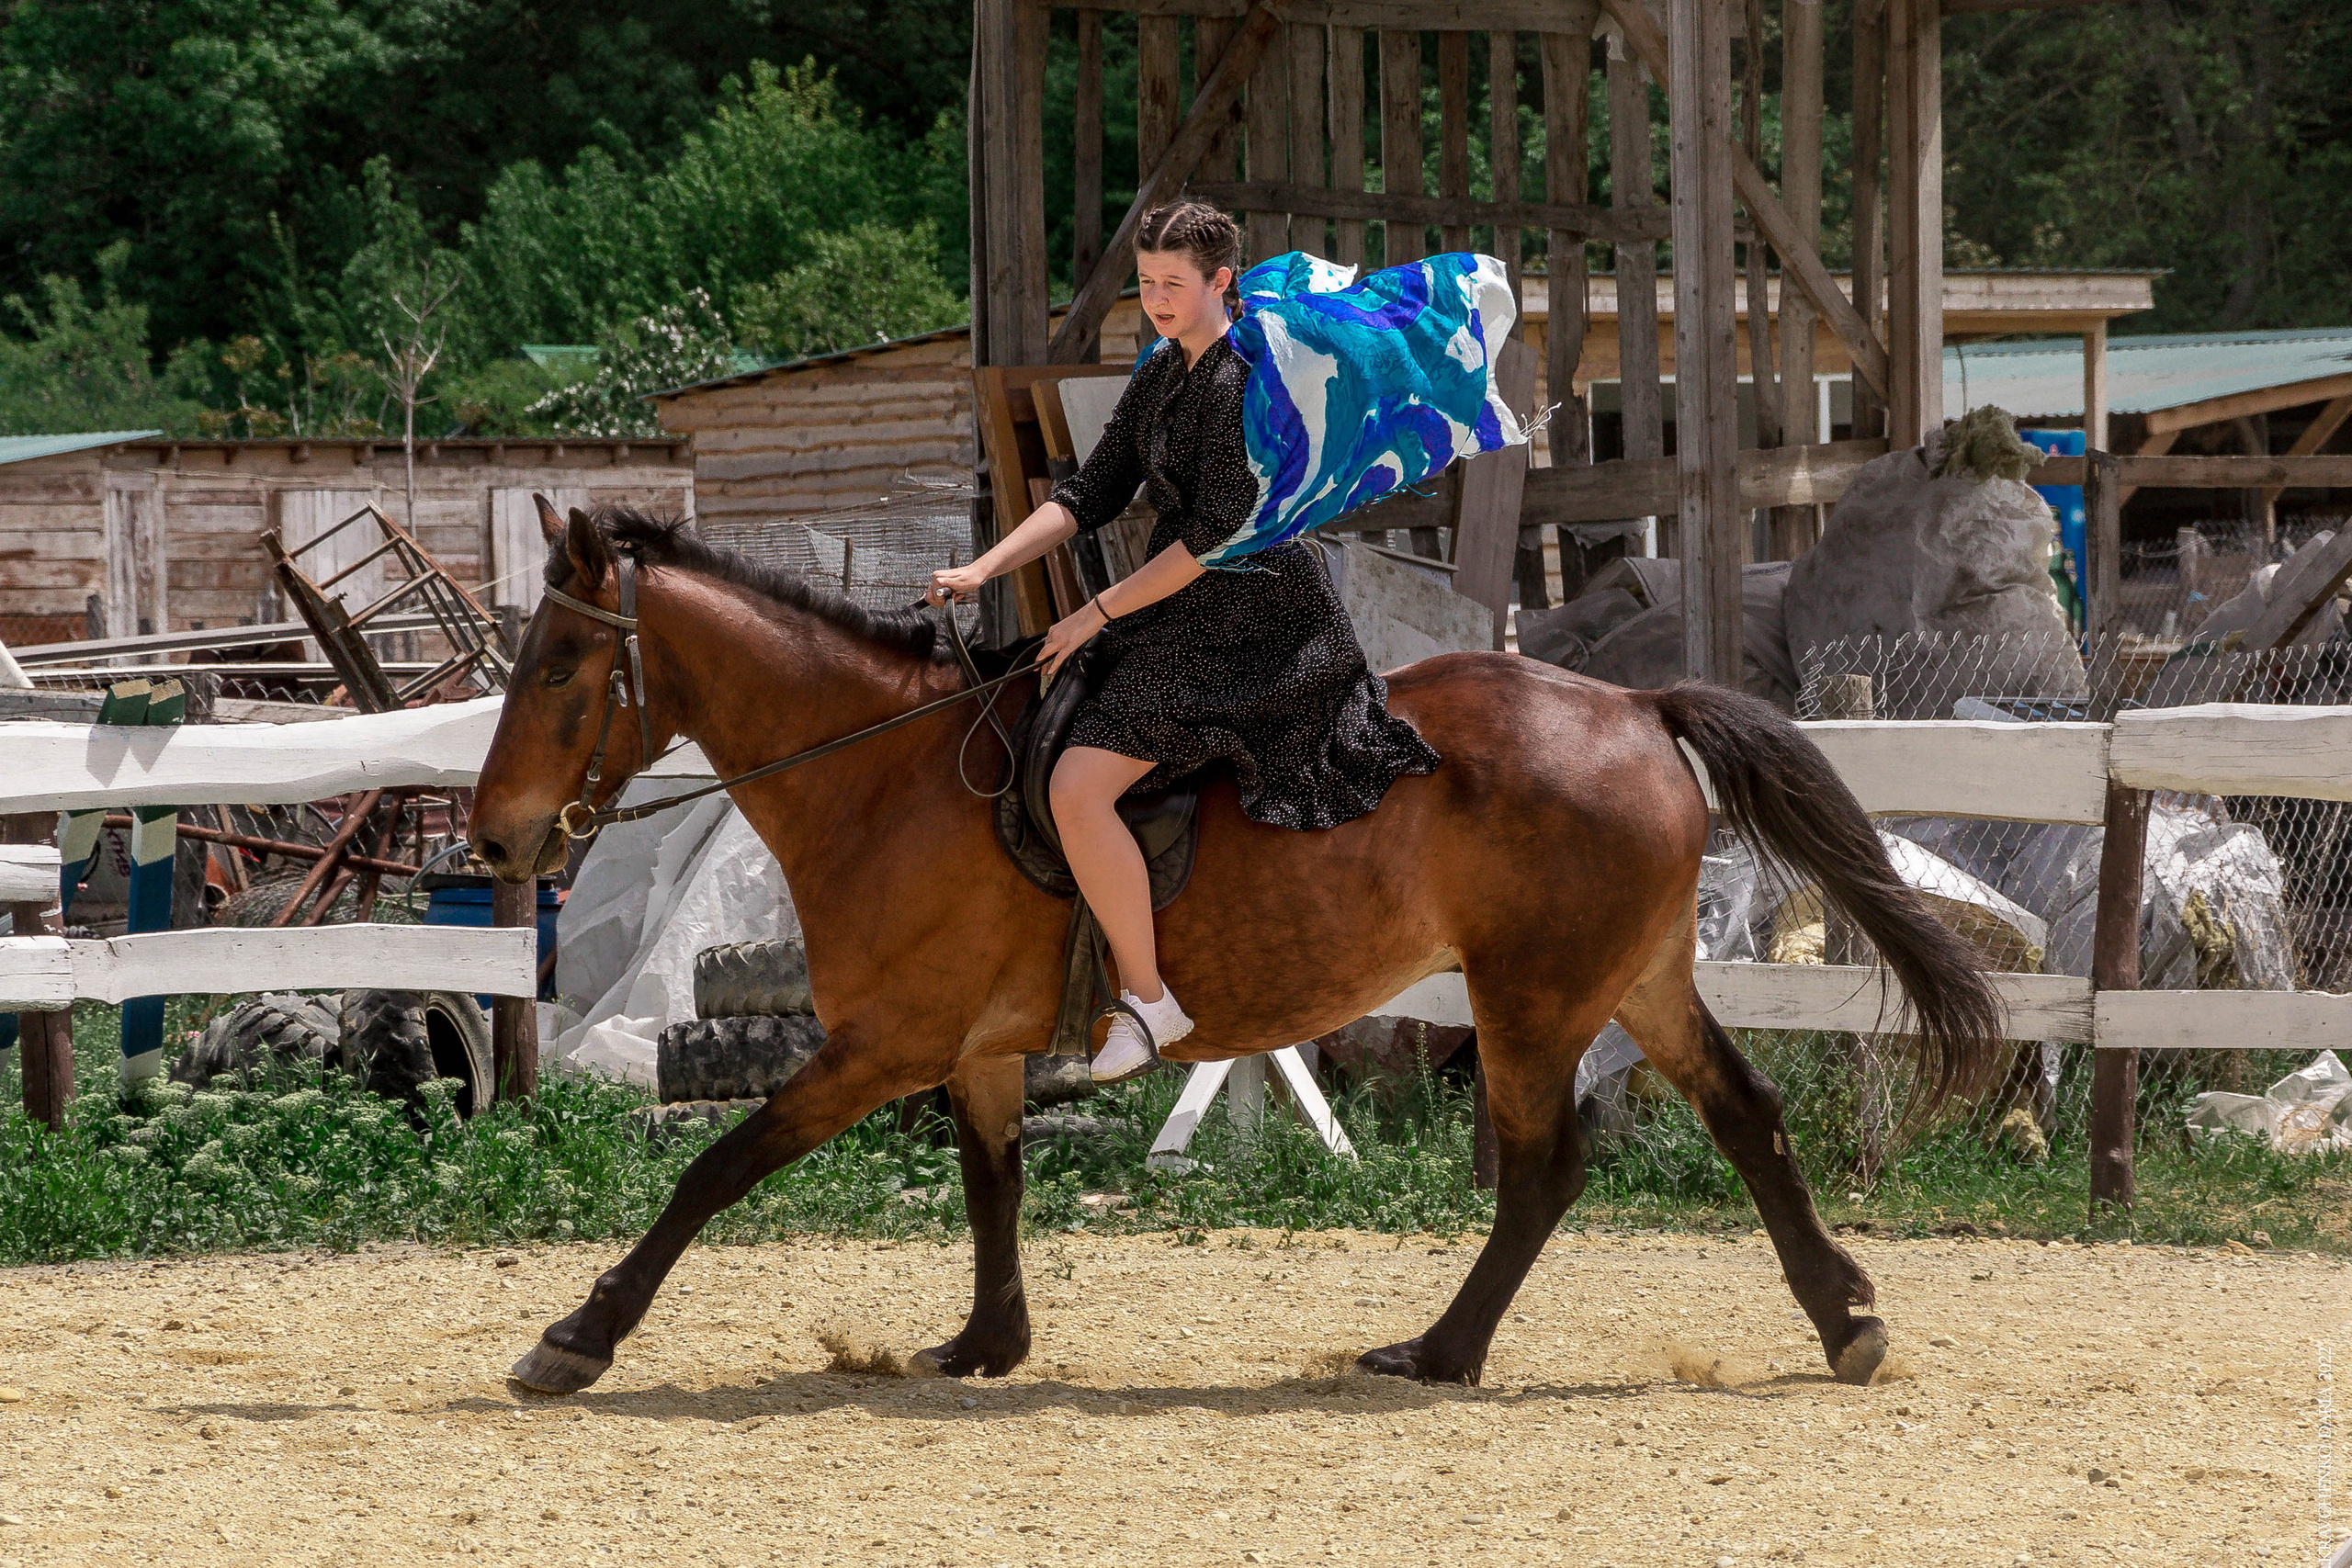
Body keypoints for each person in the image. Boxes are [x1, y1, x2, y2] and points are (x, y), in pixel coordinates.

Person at [930, 202, 1521, 1083]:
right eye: (1145, 282)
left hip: (1263, 621)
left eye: (1173, 283)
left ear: (1221, 283)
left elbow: (1205, 540)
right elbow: (1090, 491)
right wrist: (984, 568)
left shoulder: (1252, 384)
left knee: (1080, 787)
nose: (1156, 299)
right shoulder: (1163, 371)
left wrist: (1094, 613)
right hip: (1178, 610)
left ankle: (1147, 998)